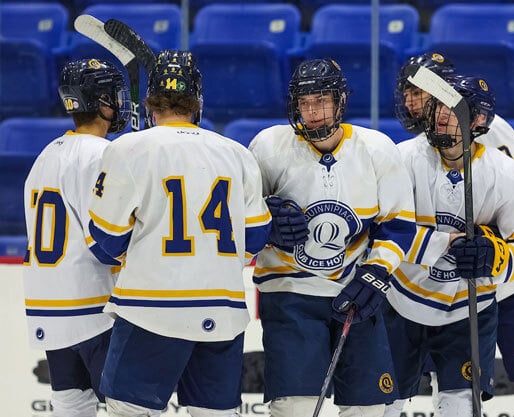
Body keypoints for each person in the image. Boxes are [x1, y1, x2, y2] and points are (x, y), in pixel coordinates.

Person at [87, 50, 272, 417]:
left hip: (149, 311)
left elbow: (104, 243)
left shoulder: (127, 149)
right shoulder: (237, 153)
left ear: (150, 102)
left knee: (129, 411)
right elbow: (254, 241)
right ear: (197, 101)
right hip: (222, 312)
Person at [391, 52, 514, 417]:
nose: (411, 102)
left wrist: (492, 245)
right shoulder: (415, 150)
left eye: (419, 92)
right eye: (406, 93)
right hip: (453, 283)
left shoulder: (492, 134)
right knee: (453, 385)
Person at [248, 58, 417, 417]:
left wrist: (377, 274)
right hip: (289, 292)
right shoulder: (268, 146)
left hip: (354, 292)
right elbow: (244, 219)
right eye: (305, 103)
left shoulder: (377, 149)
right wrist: (268, 224)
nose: (312, 112)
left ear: (340, 101)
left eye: (321, 100)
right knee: (295, 407)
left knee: (369, 408)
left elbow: (397, 225)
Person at [22, 58, 130, 417]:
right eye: (114, 94)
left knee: (70, 403)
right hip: (93, 306)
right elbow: (105, 240)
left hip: (48, 306)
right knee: (125, 406)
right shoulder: (101, 153)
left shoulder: (45, 155)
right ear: (101, 100)